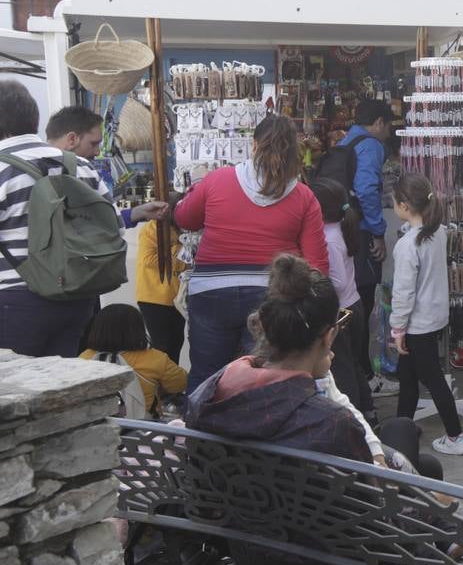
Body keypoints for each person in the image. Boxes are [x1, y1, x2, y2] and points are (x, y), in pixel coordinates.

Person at [184, 254, 444, 565]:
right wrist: (434, 513)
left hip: (252, 560)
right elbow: (373, 523)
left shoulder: (211, 393)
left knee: (419, 460)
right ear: (329, 335)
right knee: (430, 487)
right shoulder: (328, 424)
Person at [0, 83, 165, 358]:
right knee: (63, 387)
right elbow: (112, 226)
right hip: (77, 297)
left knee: (14, 391)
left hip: (15, 300)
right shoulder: (81, 167)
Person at [175, 114, 328, 391]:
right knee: (264, 378)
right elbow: (317, 265)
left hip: (210, 293)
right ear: (295, 152)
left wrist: (191, 193)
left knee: (207, 376)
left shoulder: (216, 180)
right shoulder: (304, 197)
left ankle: (197, 433)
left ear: (253, 145)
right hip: (270, 297)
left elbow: (185, 218)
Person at [390, 173, 463, 456]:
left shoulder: (407, 245)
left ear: (404, 205)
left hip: (416, 324)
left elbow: (403, 292)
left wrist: (397, 329)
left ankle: (455, 436)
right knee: (408, 376)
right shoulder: (438, 232)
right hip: (433, 317)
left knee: (432, 379)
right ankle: (402, 430)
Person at [335, 99, 395, 378]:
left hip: (342, 233)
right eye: (388, 127)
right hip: (361, 234)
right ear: (380, 122)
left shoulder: (345, 141)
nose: (388, 134)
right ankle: (363, 375)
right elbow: (368, 189)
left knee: (348, 302)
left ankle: (352, 370)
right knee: (364, 299)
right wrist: (378, 231)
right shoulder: (371, 145)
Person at [313, 177, 376, 422]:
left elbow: (336, 282)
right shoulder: (341, 228)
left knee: (342, 369)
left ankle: (353, 420)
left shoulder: (327, 238)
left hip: (341, 311)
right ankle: (368, 412)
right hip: (354, 304)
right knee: (354, 363)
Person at [79, 304, 187, 416]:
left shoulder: (84, 358)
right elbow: (181, 383)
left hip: (96, 425)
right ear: (137, 330)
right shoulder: (155, 359)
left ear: (97, 330)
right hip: (140, 427)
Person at [136, 195, 186, 363]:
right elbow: (148, 260)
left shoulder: (184, 230)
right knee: (162, 346)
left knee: (176, 343)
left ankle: (173, 386)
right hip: (154, 298)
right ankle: (161, 387)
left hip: (177, 298)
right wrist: (181, 254)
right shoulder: (152, 229)